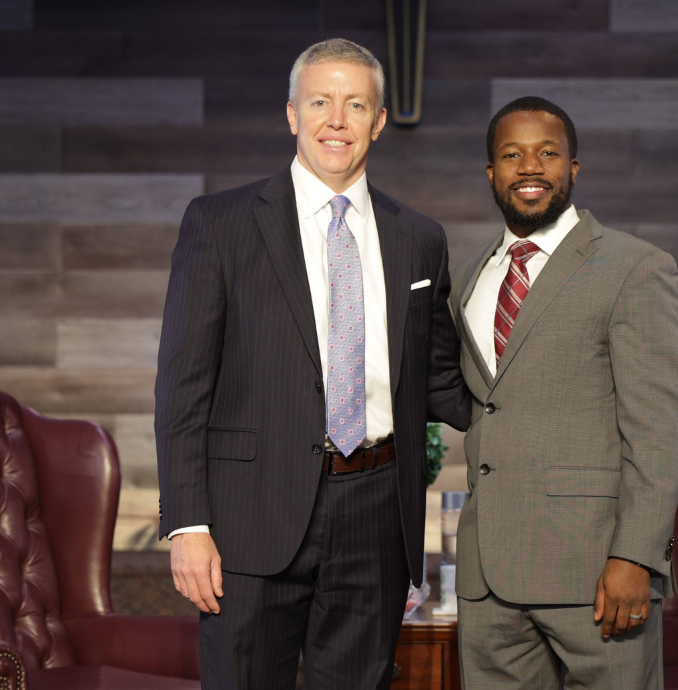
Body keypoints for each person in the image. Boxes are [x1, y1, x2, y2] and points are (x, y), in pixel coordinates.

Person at [154, 38, 470, 689]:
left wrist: (537, 396)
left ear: (379, 121)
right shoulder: (221, 224)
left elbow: (440, 379)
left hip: (378, 513)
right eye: (321, 102)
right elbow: (182, 388)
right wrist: (187, 523)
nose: (337, 120)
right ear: (292, 113)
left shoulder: (419, 239)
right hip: (250, 519)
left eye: (356, 105)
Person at [448, 96, 678, 689]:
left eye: (548, 153)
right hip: (487, 581)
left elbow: (658, 428)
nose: (529, 167)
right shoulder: (470, 277)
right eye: (512, 154)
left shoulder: (635, 267)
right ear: (491, 172)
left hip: (596, 574)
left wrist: (636, 555)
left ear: (573, 168)